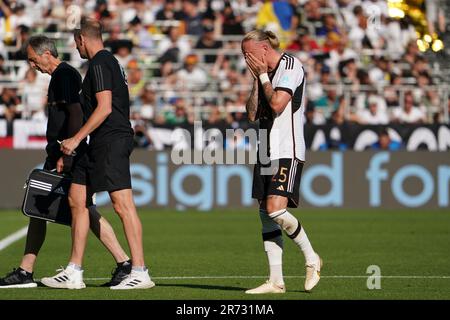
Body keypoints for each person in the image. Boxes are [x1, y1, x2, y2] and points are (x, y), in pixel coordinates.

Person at [0, 35, 131, 289]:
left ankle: (28, 271)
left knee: (70, 208)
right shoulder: (61, 77)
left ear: (47, 54)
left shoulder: (65, 76)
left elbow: (76, 113)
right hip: (62, 151)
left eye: (33, 60)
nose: (32, 65)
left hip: (67, 152)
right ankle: (123, 263)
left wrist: (66, 154)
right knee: (57, 208)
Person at [43, 18, 154, 290]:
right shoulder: (106, 62)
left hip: (112, 140)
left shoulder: (101, 62)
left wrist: (75, 139)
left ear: (82, 39)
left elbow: (104, 108)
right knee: (77, 198)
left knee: (122, 205)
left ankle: (140, 271)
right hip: (96, 143)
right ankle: (74, 271)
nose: (76, 47)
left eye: (75, 41)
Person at [241, 30, 322, 294]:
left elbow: (277, 104)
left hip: (287, 149)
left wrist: (263, 75)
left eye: (248, 53)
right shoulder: (262, 74)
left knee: (276, 210)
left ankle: (312, 258)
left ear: (264, 49)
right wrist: (257, 78)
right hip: (265, 150)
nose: (246, 59)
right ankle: (276, 281)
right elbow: (253, 113)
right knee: (266, 214)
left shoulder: (290, 65)